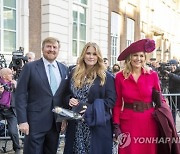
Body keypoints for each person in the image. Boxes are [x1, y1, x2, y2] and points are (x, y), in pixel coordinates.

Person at [15, 37, 69, 154]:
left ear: (58, 50)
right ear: (42, 48)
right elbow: (20, 95)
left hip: (55, 124)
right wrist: (22, 120)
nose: (51, 49)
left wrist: (64, 117)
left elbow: (64, 95)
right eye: (48, 46)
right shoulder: (30, 67)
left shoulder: (64, 69)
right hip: (34, 123)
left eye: (55, 47)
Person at [63, 42, 116, 154]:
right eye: (88, 53)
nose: (91, 57)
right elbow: (66, 93)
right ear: (83, 55)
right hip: (76, 125)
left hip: (96, 124)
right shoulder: (74, 72)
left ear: (98, 57)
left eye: (94, 54)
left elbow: (111, 101)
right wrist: (69, 99)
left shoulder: (106, 76)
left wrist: (89, 108)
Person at [112, 39, 163, 154]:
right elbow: (117, 103)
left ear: (145, 58)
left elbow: (160, 99)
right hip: (128, 123)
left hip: (149, 122)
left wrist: (165, 116)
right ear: (130, 57)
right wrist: (116, 125)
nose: (138, 59)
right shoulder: (120, 77)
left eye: (141, 56)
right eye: (135, 55)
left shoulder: (152, 75)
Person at [0, 68, 21, 154]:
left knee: (13, 131)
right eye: (9, 74)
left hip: (11, 110)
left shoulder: (14, 83)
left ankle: (17, 149)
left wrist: (17, 87)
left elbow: (22, 95)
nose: (12, 75)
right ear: (4, 76)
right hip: (0, 109)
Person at [164, 59, 180, 123]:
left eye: (173, 65)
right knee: (172, 111)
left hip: (178, 95)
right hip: (171, 95)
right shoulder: (169, 72)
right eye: (170, 65)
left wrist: (170, 74)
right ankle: (173, 127)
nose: (172, 67)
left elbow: (178, 79)